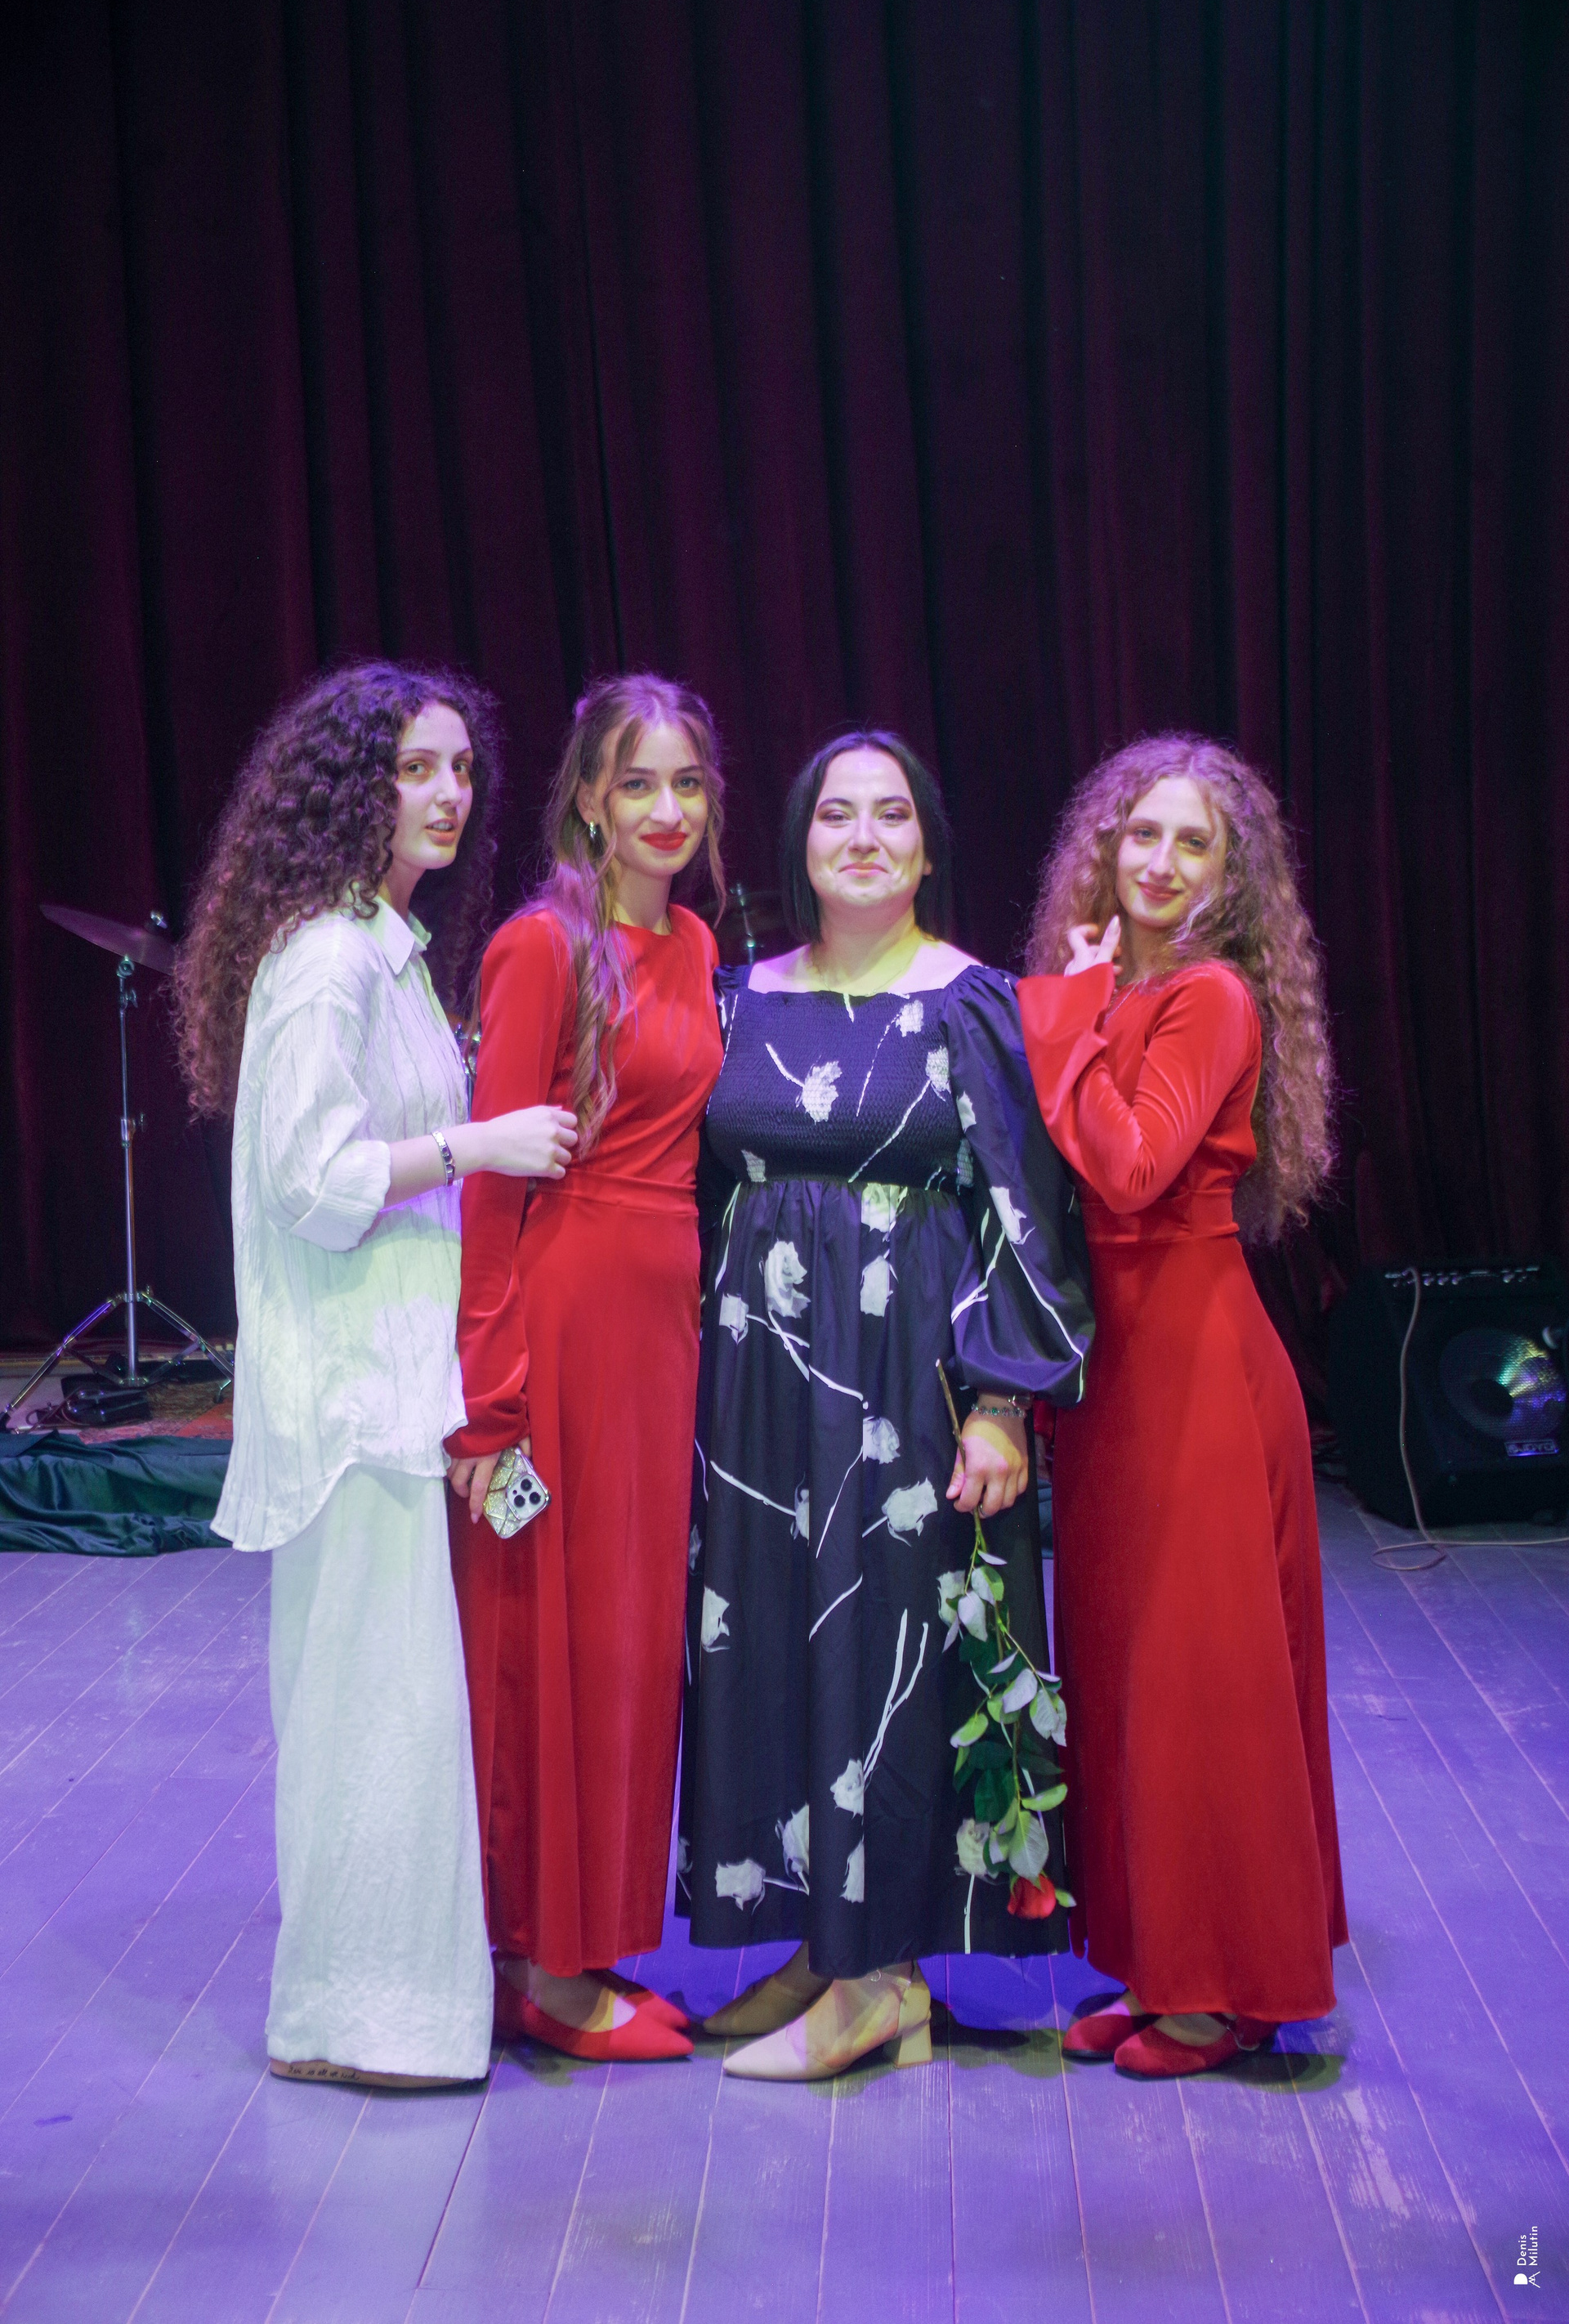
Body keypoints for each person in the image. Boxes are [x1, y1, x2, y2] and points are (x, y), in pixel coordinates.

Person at [174, 660, 577, 2089]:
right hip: (353, 1400)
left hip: (399, 1387)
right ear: (352, 787)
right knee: (371, 1713)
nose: (448, 794)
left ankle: (403, 2010)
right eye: (414, 769)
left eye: (460, 768)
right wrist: (481, 1145)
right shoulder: (326, 961)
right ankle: (355, 2021)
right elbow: (314, 1181)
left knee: (400, 1712)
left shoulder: (383, 950)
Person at [680, 730, 1093, 2082]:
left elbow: (1025, 1216)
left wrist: (1003, 1404)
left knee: (887, 1655)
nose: (863, 837)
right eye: (836, 816)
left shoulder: (970, 1002)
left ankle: (882, 1984)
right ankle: (824, 1944)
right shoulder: (740, 998)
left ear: (926, 848)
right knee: (775, 1649)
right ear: (800, 844)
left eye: (892, 815)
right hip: (759, 1389)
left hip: (906, 1383)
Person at [1016, 732, 1348, 2080]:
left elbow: (1133, 1164)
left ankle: (1220, 1989)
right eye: (1140, 835)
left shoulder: (1207, 998)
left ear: (1231, 875)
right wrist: (1083, 1009)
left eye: (1191, 843)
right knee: (1131, 1674)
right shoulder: (1121, 992)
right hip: (1120, 1378)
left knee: (1200, 1684)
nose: (1158, 863)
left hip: (1198, 1375)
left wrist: (1061, 1015)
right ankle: (1164, 1969)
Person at [445, 674, 726, 2063]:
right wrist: (490, 1405)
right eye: (638, 784)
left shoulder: (696, 943)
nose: (667, 810)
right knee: (541, 1646)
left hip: (657, 1344)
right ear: (589, 801)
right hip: (559, 1334)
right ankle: (543, 1976)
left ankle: (593, 1943)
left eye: (687, 784)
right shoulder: (542, 946)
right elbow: (491, 1193)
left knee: (624, 1648)